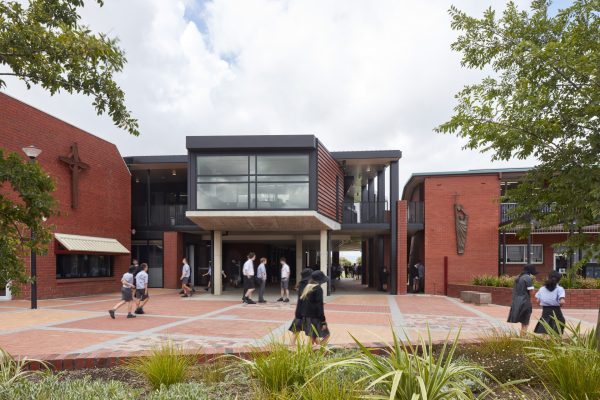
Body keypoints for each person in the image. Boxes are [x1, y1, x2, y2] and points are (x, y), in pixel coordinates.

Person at [300, 270, 330, 345]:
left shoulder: (308, 287)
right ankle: (320, 349)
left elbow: (306, 303)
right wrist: (323, 321)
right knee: (326, 335)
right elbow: (319, 307)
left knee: (312, 337)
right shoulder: (318, 289)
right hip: (314, 318)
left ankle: (314, 350)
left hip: (306, 317)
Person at [507, 264, 537, 336]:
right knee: (525, 322)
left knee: (523, 322)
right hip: (525, 301)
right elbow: (531, 292)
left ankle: (522, 337)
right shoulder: (528, 278)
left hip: (516, 301)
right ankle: (522, 338)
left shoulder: (518, 277)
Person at [288, 268, 313, 344]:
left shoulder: (301, 284)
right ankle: (310, 349)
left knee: (296, 331)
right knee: (311, 333)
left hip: (299, 312)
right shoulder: (309, 285)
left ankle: (291, 347)